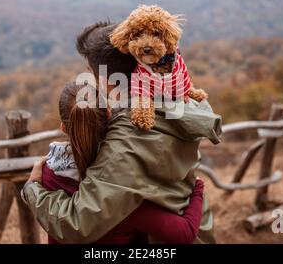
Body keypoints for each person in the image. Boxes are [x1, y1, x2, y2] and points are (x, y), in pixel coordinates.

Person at [22, 21, 222, 244]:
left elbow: (78, 223)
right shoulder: (175, 100)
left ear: (106, 80)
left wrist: (33, 190)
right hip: (196, 225)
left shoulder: (127, 141)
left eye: (91, 72)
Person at [33, 82, 204, 244]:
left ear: (63, 127)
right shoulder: (124, 186)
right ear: (109, 113)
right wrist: (197, 188)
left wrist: (31, 185)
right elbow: (184, 233)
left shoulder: (45, 177)